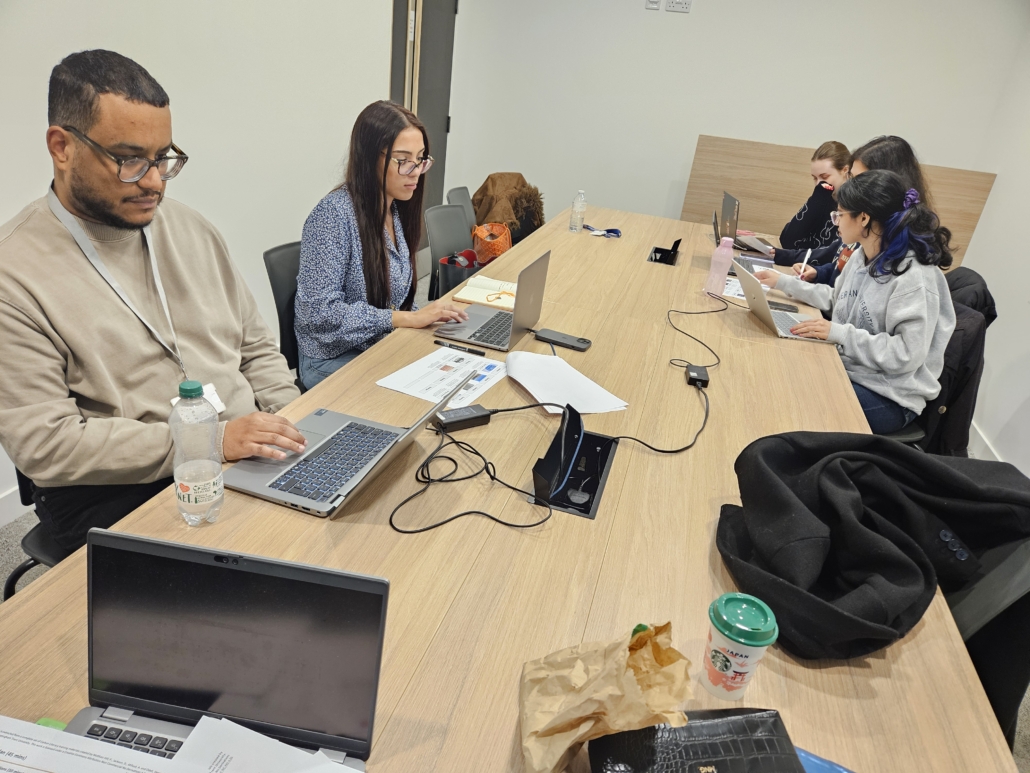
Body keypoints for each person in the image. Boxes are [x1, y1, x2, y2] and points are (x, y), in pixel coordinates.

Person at [0, 50, 305, 551]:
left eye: (163, 157)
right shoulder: (17, 274)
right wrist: (210, 441)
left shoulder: (192, 228)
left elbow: (254, 349)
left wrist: (297, 422)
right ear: (62, 147)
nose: (154, 181)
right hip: (120, 489)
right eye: (129, 159)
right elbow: (47, 446)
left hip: (242, 451)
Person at [754, 169, 956, 435]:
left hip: (891, 396)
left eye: (839, 214)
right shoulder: (862, 255)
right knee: (781, 371)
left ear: (863, 218)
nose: (835, 221)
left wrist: (838, 333)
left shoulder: (914, 277)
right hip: (852, 370)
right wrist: (783, 282)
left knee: (794, 402)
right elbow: (838, 300)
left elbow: (906, 355)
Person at [295, 101, 468, 389]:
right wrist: (403, 319)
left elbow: (399, 298)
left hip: (378, 344)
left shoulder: (395, 210)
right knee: (423, 390)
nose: (415, 171)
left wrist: (424, 320)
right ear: (369, 158)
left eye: (421, 158)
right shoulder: (333, 216)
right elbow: (319, 314)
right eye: (403, 160)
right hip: (332, 358)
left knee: (451, 369)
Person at [773, 135, 935, 287]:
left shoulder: (900, 257)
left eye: (859, 179)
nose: (851, 187)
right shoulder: (861, 238)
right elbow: (837, 268)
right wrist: (816, 274)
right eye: (852, 178)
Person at [778, 141, 850, 251]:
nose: (818, 184)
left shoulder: (853, 208)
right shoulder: (821, 197)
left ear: (845, 170)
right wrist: (816, 199)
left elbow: (833, 254)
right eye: (815, 178)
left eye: (824, 177)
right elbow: (787, 240)